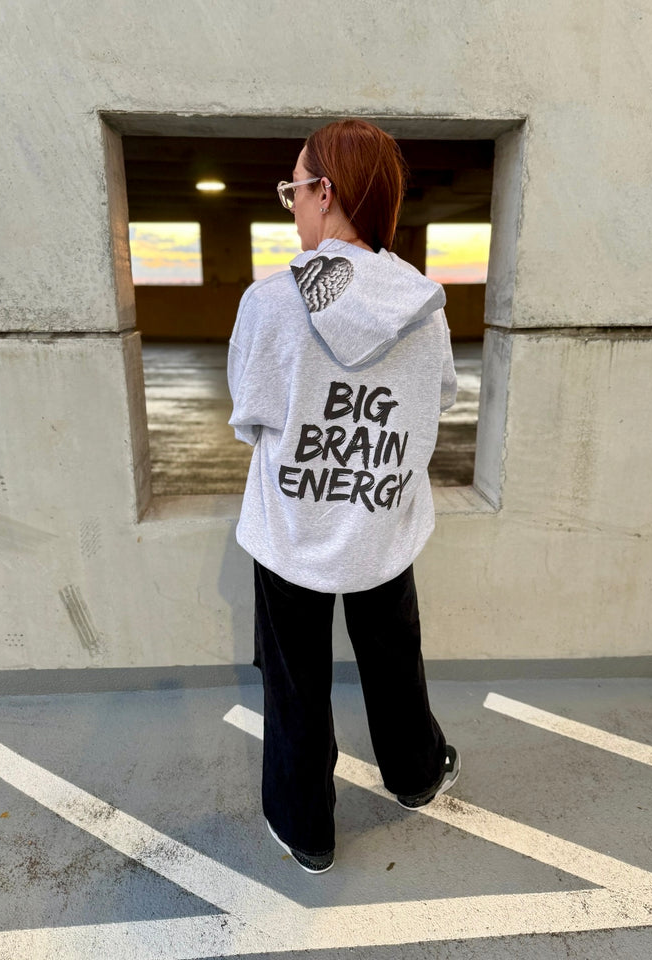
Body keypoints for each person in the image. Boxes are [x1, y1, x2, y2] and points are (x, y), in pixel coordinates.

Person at [227, 119, 460, 874]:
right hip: (384, 520)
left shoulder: (269, 304)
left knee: (296, 682)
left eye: (293, 189)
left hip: (293, 528)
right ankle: (417, 775)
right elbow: (439, 398)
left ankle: (307, 829)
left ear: (325, 193)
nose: (292, 204)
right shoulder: (423, 303)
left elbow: (250, 416)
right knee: (395, 659)